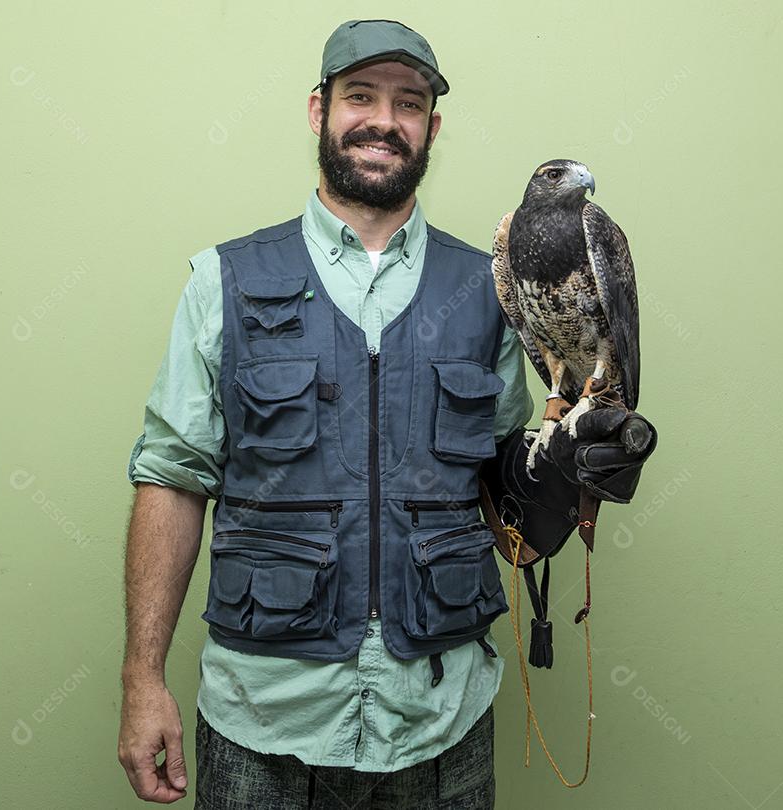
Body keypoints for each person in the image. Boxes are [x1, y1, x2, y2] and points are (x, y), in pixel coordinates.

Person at [117, 19, 656, 809]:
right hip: (262, 725)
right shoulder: (222, 281)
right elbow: (171, 479)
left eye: (409, 104)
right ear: (319, 111)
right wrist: (142, 678)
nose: (384, 120)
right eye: (360, 96)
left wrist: (574, 467)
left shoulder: (489, 286)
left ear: (431, 128)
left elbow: (509, 502)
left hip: (442, 728)